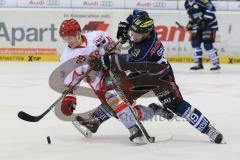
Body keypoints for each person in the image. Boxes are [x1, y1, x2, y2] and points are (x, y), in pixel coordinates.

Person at [87, 9, 225, 144]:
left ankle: (209, 130)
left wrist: (105, 61)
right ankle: (96, 120)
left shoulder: (143, 50)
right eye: (132, 31)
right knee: (120, 95)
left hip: (161, 77)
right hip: (142, 73)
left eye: (137, 34)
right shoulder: (145, 26)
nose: (133, 35)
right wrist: (125, 24)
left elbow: (124, 62)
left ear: (147, 34)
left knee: (176, 105)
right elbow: (137, 11)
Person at [56, 18, 173, 144]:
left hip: (114, 72)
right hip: (97, 83)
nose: (68, 41)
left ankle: (133, 129)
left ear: (78, 34)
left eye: (70, 37)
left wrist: (109, 55)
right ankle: (153, 110)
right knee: (124, 110)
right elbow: (69, 82)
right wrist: (69, 99)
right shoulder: (67, 57)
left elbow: (113, 47)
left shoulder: (97, 36)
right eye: (65, 38)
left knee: (113, 99)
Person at [184, 0, 220, 70]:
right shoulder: (186, 3)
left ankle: (215, 64)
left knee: (207, 44)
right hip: (198, 26)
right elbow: (192, 16)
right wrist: (190, 23)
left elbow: (212, 8)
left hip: (209, 25)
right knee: (195, 43)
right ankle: (198, 64)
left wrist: (203, 19)